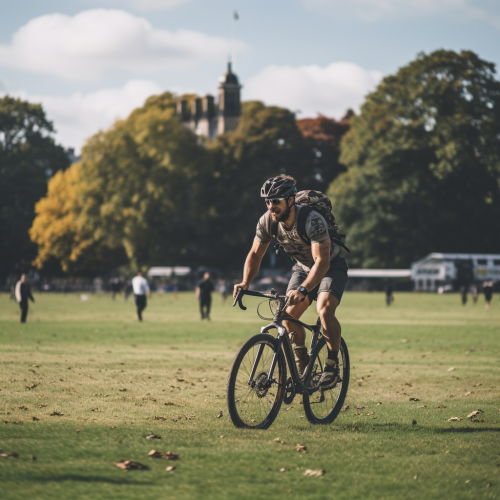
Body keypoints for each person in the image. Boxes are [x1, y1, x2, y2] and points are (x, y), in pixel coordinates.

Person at [233, 175, 348, 388]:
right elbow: (255, 254)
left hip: (330, 267)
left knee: (324, 310)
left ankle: (332, 363)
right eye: (267, 201)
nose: (271, 206)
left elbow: (321, 262)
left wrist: (304, 289)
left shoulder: (312, 220)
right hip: (302, 268)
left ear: (290, 200)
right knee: (287, 316)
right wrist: (245, 282)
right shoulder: (267, 221)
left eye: (276, 201)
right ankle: (302, 367)